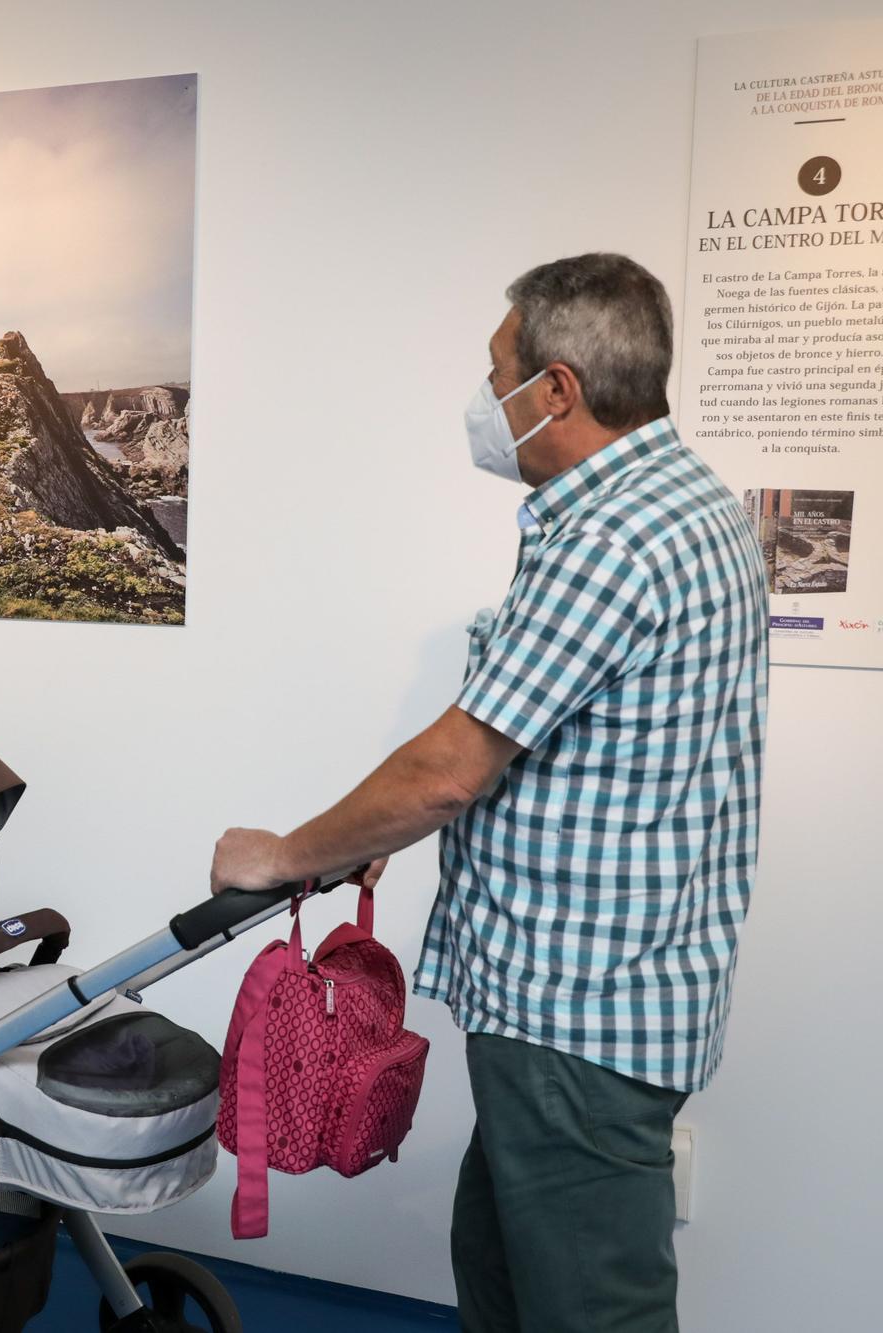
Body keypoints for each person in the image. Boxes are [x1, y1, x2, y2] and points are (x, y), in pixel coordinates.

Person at [208, 253, 766, 1333]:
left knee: (590, 1309)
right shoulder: (691, 503)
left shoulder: (609, 538)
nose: (484, 397)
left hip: (580, 1011)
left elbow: (453, 766)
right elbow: (566, 744)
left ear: (554, 388)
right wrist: (363, 832)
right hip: (610, 992)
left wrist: (284, 852)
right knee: (504, 1269)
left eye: (496, 369)